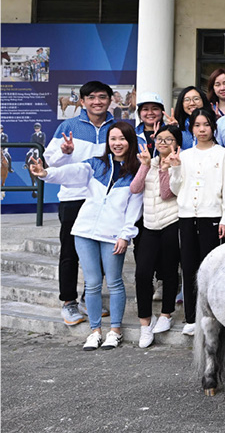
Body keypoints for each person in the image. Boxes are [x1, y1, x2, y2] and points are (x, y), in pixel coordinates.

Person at [30, 121, 143, 350]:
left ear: (130, 141)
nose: (117, 143)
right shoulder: (95, 165)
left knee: (114, 283)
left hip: (112, 235)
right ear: (107, 142)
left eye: (122, 139)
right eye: (113, 139)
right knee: (91, 284)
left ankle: (115, 330)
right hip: (84, 231)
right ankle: (95, 331)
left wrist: (125, 235)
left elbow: (135, 209)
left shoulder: (136, 172)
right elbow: (71, 172)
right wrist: (46, 173)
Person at [44, 81, 119, 326]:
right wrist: (65, 152)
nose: (97, 101)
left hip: (103, 200)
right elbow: (50, 163)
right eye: (92, 97)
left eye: (102, 97)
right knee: (69, 253)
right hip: (73, 199)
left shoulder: (116, 127)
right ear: (83, 101)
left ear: (110, 100)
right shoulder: (69, 126)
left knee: (99, 252)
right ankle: (69, 302)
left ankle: (90, 297)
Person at [169, 108, 225, 336]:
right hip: (186, 217)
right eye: (197, 125)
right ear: (191, 128)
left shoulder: (223, 154)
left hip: (212, 217)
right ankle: (192, 318)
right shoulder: (184, 155)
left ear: (213, 126)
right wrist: (174, 167)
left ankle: (213, 316)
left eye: (206, 124)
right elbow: (176, 189)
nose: (202, 129)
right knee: (189, 266)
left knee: (211, 270)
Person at [130, 124, 182, 348]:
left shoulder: (179, 165)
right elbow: (135, 188)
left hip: (171, 222)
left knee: (169, 272)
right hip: (149, 225)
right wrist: (145, 166)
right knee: (142, 274)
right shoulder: (148, 163)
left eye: (168, 139)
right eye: (159, 139)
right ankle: (144, 324)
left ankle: (166, 314)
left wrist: (166, 168)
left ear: (176, 144)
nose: (162, 143)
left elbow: (166, 192)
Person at [170, 86, 214, 150]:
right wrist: (172, 130)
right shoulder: (178, 126)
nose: (192, 103)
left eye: (196, 99)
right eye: (187, 100)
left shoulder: (214, 123)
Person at [26, 122, 47, 196]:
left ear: (40, 128)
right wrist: (33, 147)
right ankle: (26, 164)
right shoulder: (33, 135)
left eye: (37, 128)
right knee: (28, 154)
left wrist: (40, 147)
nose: (36, 129)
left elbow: (43, 141)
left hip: (40, 147)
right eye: (36, 128)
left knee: (46, 154)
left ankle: (47, 165)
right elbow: (32, 142)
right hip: (34, 147)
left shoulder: (42, 134)